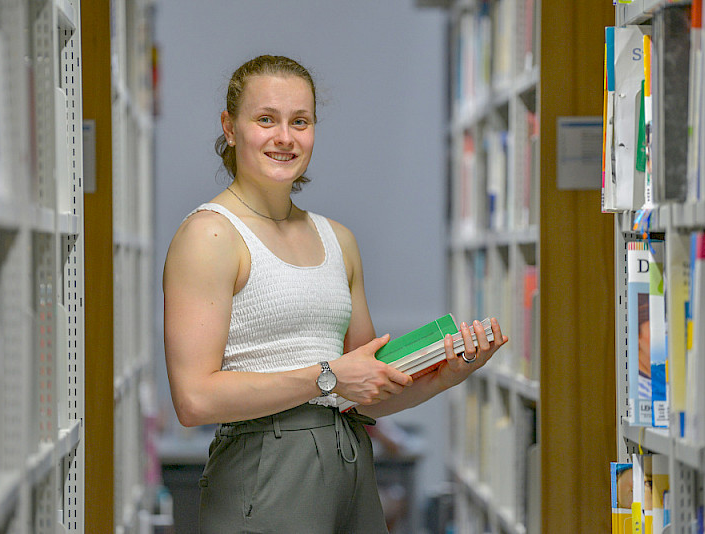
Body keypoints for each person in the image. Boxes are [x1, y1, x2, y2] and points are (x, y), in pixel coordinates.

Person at [162, 54, 508, 534]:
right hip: (265, 469)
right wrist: (328, 376)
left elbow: (363, 393)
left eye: (299, 122)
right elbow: (194, 399)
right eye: (266, 120)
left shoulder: (338, 240)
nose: (285, 137)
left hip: (349, 460)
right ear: (230, 127)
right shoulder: (210, 236)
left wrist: (445, 375)